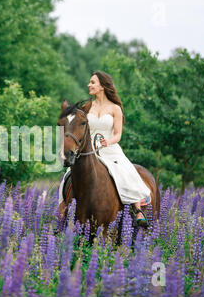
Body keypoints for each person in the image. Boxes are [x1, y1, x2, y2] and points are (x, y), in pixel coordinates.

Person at [58, 71, 151, 227]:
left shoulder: (115, 108)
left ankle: (137, 209)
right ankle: (62, 210)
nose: (89, 85)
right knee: (68, 175)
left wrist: (107, 142)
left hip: (110, 149)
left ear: (102, 86)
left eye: (93, 82)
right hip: (89, 150)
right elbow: (77, 127)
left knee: (126, 172)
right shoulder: (86, 108)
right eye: (90, 82)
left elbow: (118, 134)